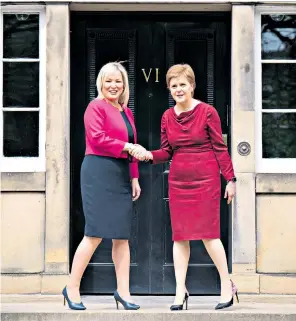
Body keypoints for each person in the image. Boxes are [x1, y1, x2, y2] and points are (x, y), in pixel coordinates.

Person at [132, 64, 238, 311]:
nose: (178, 89)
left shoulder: (208, 112)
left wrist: (230, 179)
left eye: (183, 84)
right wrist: (147, 154)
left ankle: (226, 285)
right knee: (180, 237)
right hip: (179, 181)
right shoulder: (167, 116)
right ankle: (180, 291)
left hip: (207, 179)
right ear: (169, 89)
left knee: (210, 235)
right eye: (174, 85)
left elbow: (220, 148)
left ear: (192, 86)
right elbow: (167, 151)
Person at [62, 62, 145, 311]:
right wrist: (128, 147)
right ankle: (72, 287)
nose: (113, 85)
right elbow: (97, 139)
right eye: (108, 81)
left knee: (122, 236)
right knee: (94, 233)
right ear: (100, 83)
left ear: (124, 85)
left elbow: (132, 144)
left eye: (118, 81)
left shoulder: (125, 111)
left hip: (121, 174)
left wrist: (134, 177)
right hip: (98, 172)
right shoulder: (95, 107)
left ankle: (123, 292)